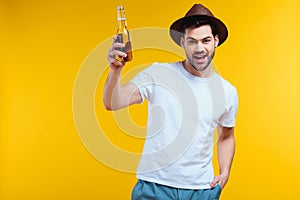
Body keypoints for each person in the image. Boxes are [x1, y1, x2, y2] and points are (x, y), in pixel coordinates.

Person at [103, 4, 238, 200]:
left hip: (201, 190)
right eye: (192, 41)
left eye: (206, 40)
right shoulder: (159, 73)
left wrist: (225, 172)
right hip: (154, 188)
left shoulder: (227, 91)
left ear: (215, 41)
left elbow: (227, 136)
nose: (199, 48)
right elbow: (113, 102)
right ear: (182, 42)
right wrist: (115, 71)